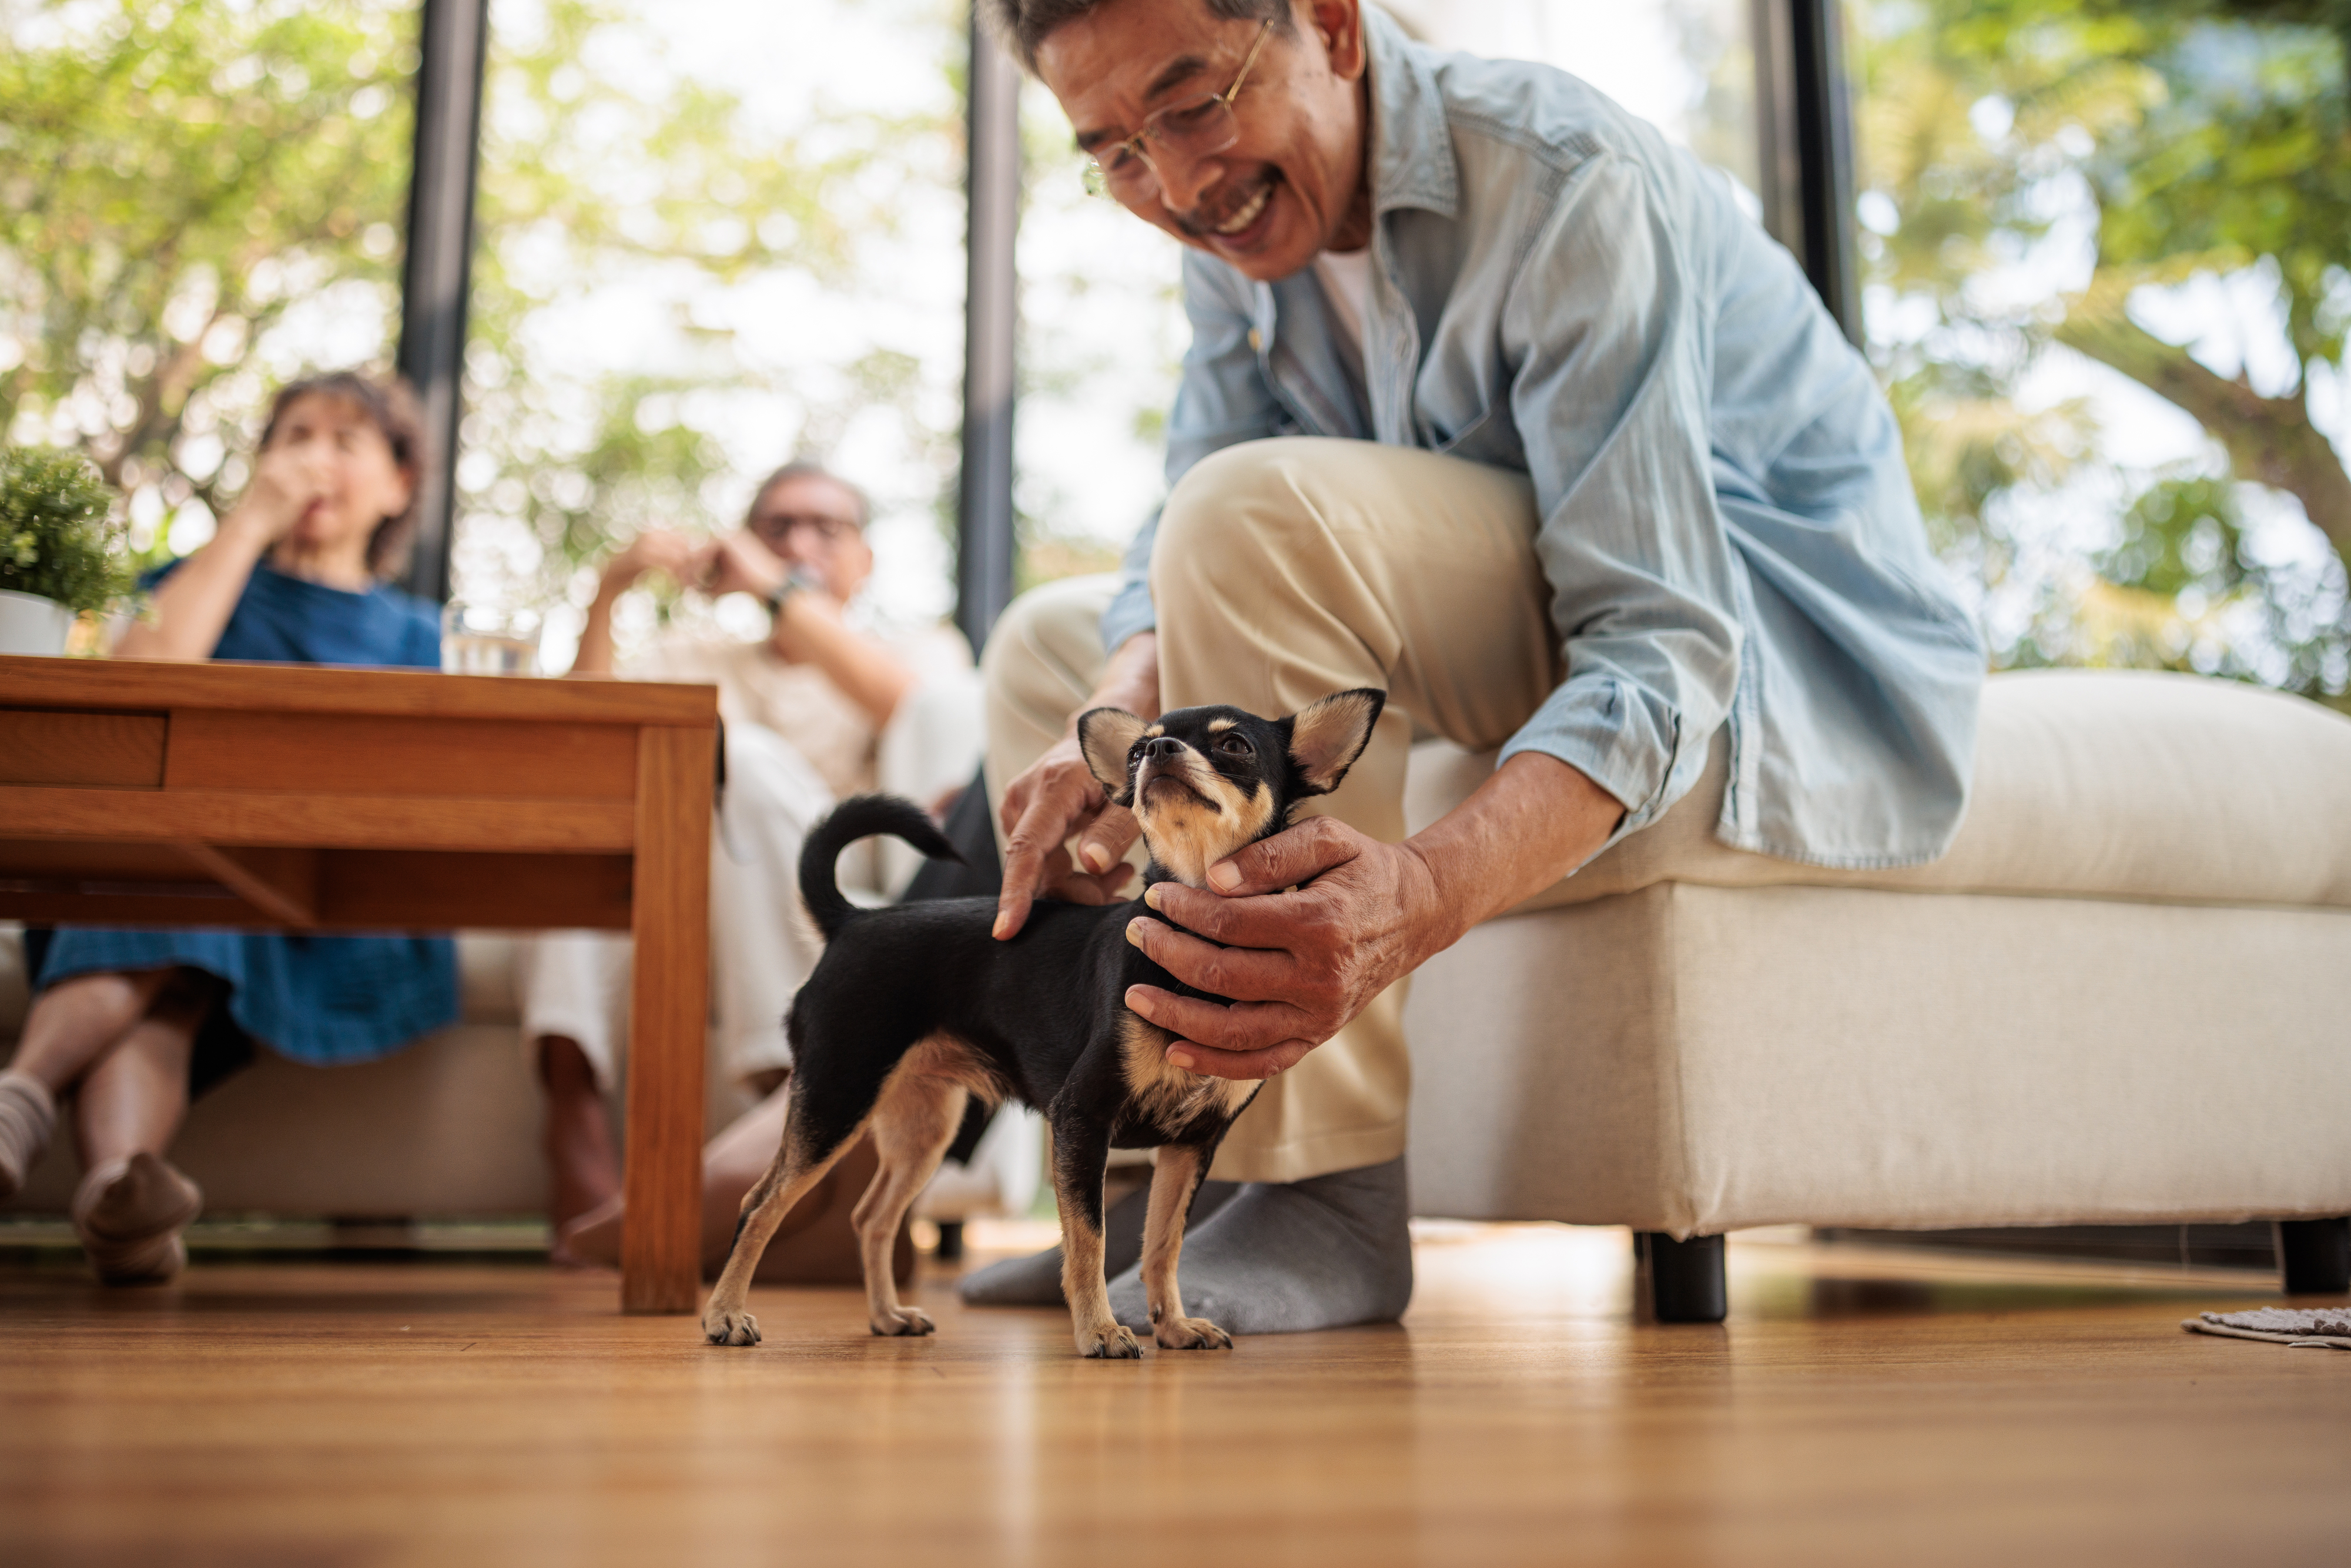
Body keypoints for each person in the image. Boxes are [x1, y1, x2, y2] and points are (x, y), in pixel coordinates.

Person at [962, 0, 1985, 1334]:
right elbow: (1171, 525)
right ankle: (1179, 1163)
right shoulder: (1221, 227)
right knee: (1055, 650)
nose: (1169, 185)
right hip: (1523, 597)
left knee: (1250, 512)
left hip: (1763, 641)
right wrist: (1106, 715)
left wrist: (1419, 892)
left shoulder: (1564, 180)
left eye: (1192, 104)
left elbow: (1659, 639)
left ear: (1326, 25)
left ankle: (1322, 1187)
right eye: (1111, 152)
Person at [0, 371, 454, 1283]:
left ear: (399, 486)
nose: (309, 458)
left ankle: (20, 1101)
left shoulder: (417, 633)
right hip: (170, 872)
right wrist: (246, 528)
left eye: (343, 440)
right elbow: (134, 687)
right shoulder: (193, 583)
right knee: (176, 932)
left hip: (313, 896)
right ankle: (119, 1204)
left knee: (186, 904)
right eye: (292, 434)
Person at [522, 461, 981, 1266]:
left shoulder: (912, 647)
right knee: (603, 817)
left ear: (864, 559)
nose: (799, 543)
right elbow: (579, 736)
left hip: (811, 874)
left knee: (743, 753)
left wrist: (776, 589)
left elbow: (914, 711)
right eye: (776, 528)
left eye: (825, 528)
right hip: (677, 871)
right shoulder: (694, 651)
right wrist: (611, 587)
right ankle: (573, 1109)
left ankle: (792, 1099)